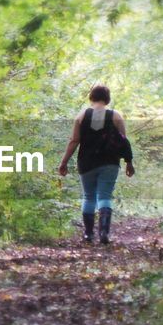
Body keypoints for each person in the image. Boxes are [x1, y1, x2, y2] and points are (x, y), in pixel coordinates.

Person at [56, 84, 134, 244]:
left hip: (86, 162)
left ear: (91, 97)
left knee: (89, 196)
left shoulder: (81, 116)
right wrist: (129, 162)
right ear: (107, 99)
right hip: (110, 162)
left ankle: (88, 234)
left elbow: (74, 141)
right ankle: (104, 233)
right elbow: (123, 142)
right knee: (104, 196)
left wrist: (64, 162)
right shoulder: (115, 116)